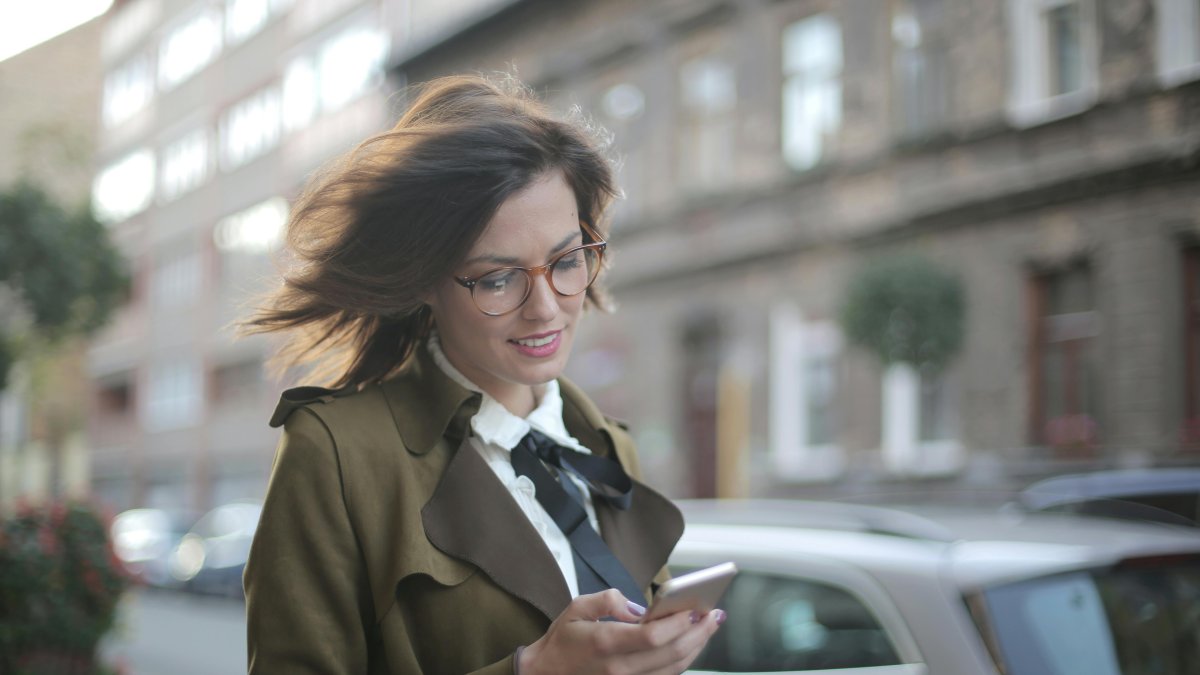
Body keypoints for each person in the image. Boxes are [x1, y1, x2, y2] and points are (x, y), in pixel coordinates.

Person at [241, 74, 725, 674]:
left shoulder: (603, 445)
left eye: (567, 261)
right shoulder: (338, 452)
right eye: (498, 278)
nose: (545, 308)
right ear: (424, 282)